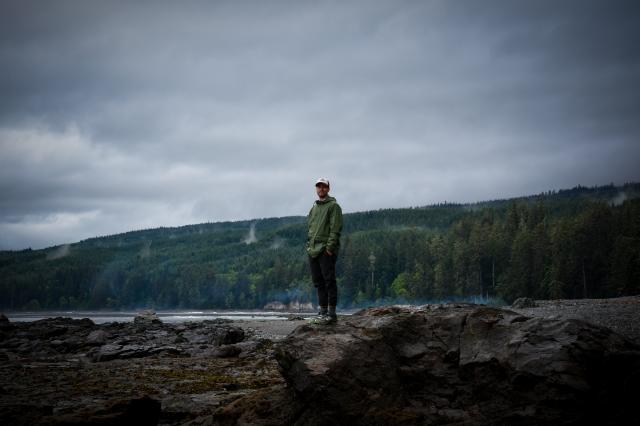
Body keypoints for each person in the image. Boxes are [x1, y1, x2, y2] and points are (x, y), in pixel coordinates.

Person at [307, 177, 343, 323]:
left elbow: (336, 229)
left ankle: (332, 313)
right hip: (313, 249)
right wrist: (309, 245)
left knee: (329, 280)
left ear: (328, 189)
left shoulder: (334, 206)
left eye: (324, 186)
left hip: (325, 250)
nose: (321, 189)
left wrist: (329, 248)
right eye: (318, 186)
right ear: (316, 189)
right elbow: (310, 227)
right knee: (318, 281)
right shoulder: (314, 207)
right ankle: (322, 311)